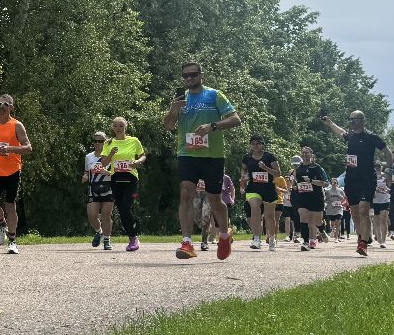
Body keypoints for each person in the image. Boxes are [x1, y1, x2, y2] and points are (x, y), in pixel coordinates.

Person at [164, 62, 241, 260]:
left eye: (193, 75)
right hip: (187, 153)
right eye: (185, 76)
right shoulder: (180, 99)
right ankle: (187, 242)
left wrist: (212, 126)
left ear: (201, 75)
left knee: (215, 199)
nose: (189, 79)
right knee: (185, 193)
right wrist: (173, 110)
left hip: (212, 155)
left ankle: (224, 235)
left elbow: (235, 119)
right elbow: (168, 126)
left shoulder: (214, 95)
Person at [320, 110, 392, 256]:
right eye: (350, 119)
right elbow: (340, 132)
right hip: (351, 179)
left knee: (364, 209)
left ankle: (363, 243)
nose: (352, 122)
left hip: (367, 179)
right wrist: (329, 123)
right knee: (354, 212)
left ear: (362, 120)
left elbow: (388, 153)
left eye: (355, 119)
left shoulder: (371, 137)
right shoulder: (350, 136)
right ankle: (363, 235)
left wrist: (388, 172)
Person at [0, 94, 32, 254]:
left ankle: (12, 241)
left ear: (11, 107)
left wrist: (10, 149)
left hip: (13, 171)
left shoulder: (17, 125)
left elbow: (28, 148)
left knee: (10, 205)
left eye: (5, 104)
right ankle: (2, 223)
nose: (1, 106)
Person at [102, 117, 147, 252]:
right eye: (115, 126)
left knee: (126, 206)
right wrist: (110, 154)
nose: (118, 128)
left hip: (131, 178)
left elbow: (143, 155)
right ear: (112, 128)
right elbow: (104, 163)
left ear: (126, 127)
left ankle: (133, 237)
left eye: (121, 126)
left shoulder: (134, 141)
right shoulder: (109, 142)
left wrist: (138, 162)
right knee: (122, 209)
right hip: (116, 178)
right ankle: (132, 235)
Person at [239, 135, 282, 249]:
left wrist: (265, 168)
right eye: (253, 144)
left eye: (258, 143)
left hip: (268, 189)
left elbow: (278, 173)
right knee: (255, 208)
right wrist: (243, 176)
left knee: (269, 216)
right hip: (253, 188)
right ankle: (257, 239)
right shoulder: (247, 157)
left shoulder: (270, 157)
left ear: (262, 144)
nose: (255, 146)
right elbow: (243, 168)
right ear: (250, 145)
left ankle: (272, 239)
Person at [292, 146, 329, 250]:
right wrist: (295, 186)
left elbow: (325, 183)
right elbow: (295, 183)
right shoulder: (298, 169)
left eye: (307, 153)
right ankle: (305, 242)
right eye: (303, 153)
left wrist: (311, 181)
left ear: (311, 155)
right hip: (302, 197)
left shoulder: (317, 168)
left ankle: (322, 230)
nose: (304, 155)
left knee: (317, 221)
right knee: (303, 217)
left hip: (316, 197)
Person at [83, 131, 114, 250]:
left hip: (108, 187)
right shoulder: (88, 157)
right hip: (94, 187)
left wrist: (108, 172)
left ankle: (107, 240)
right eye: (95, 141)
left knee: (106, 215)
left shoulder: (111, 155)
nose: (97, 143)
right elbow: (87, 171)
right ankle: (99, 232)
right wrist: (85, 176)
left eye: (100, 141)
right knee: (91, 214)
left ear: (105, 142)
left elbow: (117, 172)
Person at [372, 166, 392, 246]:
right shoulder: (372, 176)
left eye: (378, 166)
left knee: (383, 219)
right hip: (375, 201)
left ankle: (383, 241)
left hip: (385, 200)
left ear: (381, 167)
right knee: (376, 221)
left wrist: (388, 189)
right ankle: (379, 237)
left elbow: (391, 186)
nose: (377, 168)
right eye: (376, 166)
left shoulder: (385, 176)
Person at [323, 175, 345, 242]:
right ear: (331, 183)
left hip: (338, 208)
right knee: (332, 223)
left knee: (338, 222)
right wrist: (328, 199)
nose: (334, 183)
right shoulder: (328, 191)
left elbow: (344, 199)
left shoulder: (340, 190)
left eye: (335, 182)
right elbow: (325, 200)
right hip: (331, 209)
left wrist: (341, 198)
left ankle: (336, 237)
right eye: (332, 182)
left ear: (337, 183)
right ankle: (333, 230)